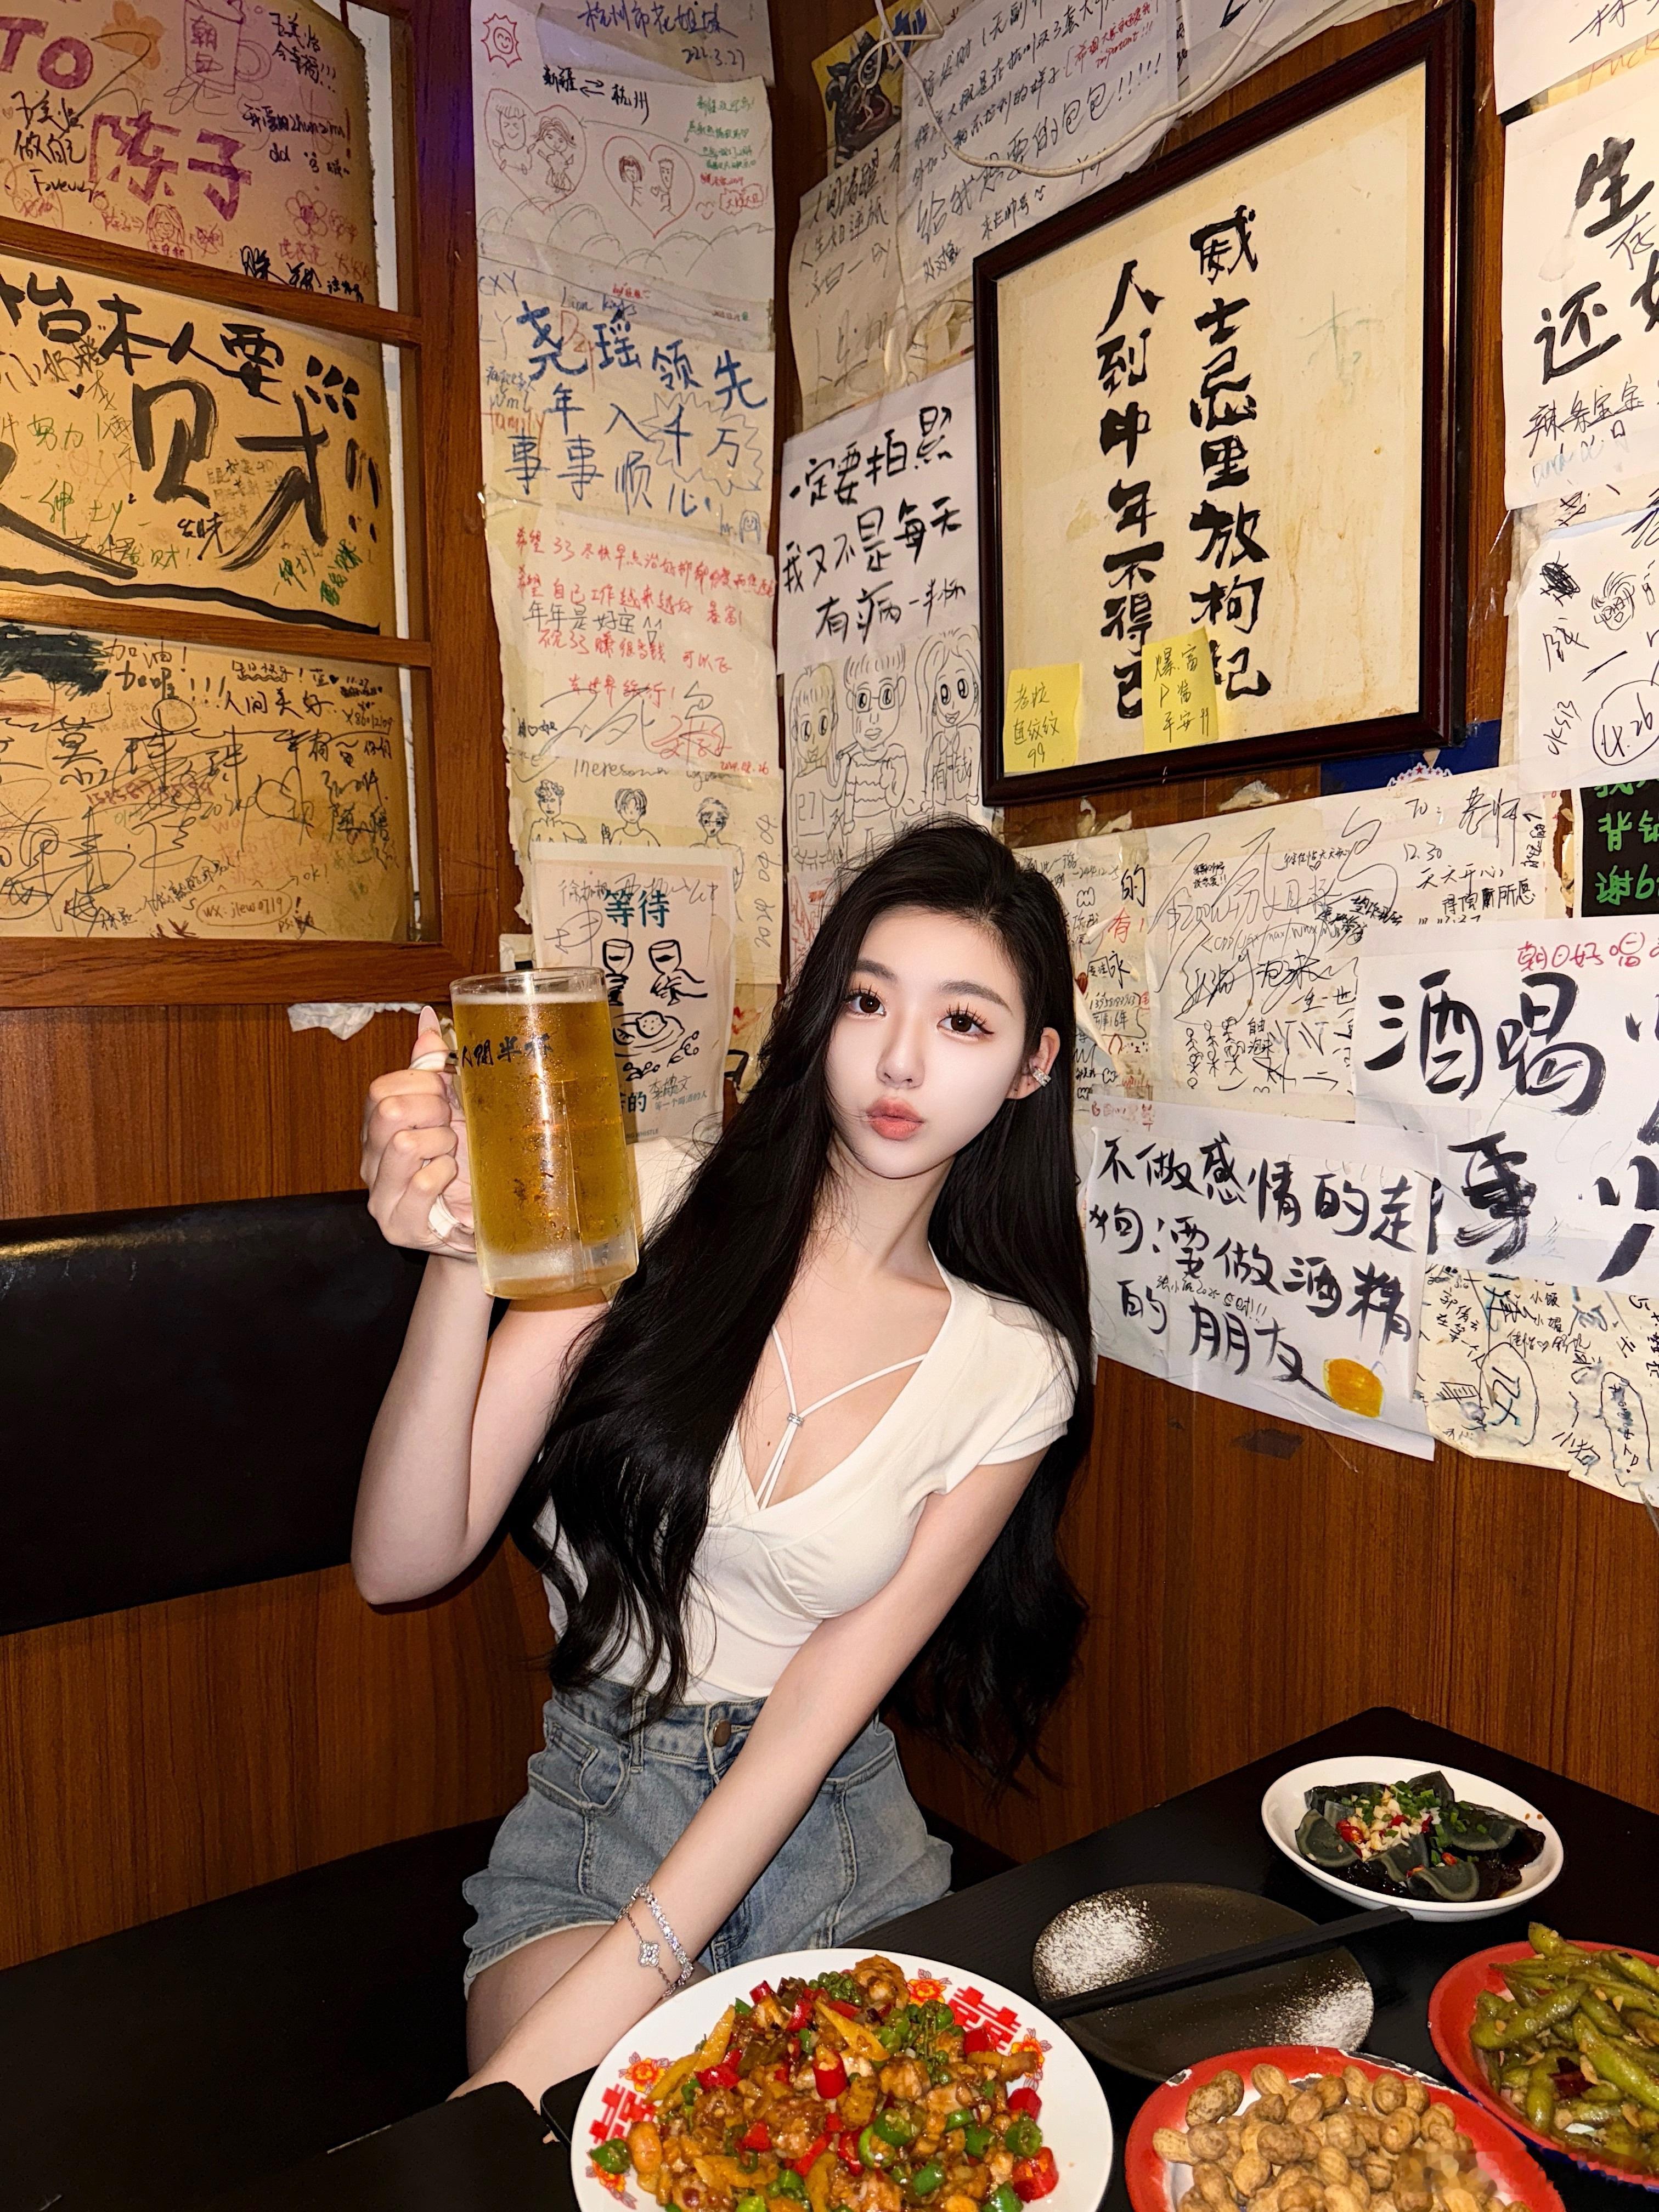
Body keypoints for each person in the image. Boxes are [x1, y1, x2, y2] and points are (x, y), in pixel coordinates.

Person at [353, 822, 1093, 2104]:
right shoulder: (651, 1204)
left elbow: (814, 1717)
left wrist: (645, 1974)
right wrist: (461, 1256)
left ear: (1033, 1066)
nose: (901, 1059)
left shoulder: (1014, 1367)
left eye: (964, 1022)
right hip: (604, 1807)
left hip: (836, 1827)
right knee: (583, 2135)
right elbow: (401, 1561)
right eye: (867, 1000)